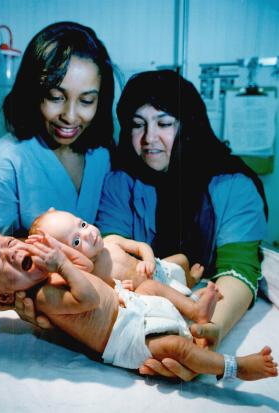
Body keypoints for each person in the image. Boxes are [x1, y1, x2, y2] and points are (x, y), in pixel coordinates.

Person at [94, 70, 268, 379]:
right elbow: (111, 258)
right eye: (137, 125)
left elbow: (238, 271)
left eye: (163, 123)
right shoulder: (120, 182)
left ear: (188, 126)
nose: (149, 139)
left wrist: (207, 332)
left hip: (207, 304)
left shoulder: (234, 186)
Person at [0, 232, 277, 383]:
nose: (11, 254)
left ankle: (195, 311)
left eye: (10, 243)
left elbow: (86, 268)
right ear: (0, 298)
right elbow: (89, 298)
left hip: (130, 305)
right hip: (125, 338)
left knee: (151, 286)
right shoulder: (42, 298)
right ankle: (234, 367)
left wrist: (60, 253)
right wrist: (61, 266)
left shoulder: (51, 271)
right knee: (176, 347)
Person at [0, 21, 115, 238]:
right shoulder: (3, 162)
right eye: (56, 97)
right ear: (32, 93)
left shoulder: (101, 156)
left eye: (86, 100)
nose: (70, 116)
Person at [29, 209, 205, 293]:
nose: (88, 234)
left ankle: (190, 280)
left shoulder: (110, 241)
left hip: (158, 268)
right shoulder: (90, 274)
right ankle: (189, 294)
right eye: (76, 241)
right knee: (176, 297)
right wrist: (123, 290)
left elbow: (141, 246)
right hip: (147, 289)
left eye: (82, 224)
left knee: (182, 259)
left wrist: (148, 260)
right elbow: (110, 295)